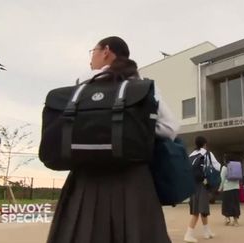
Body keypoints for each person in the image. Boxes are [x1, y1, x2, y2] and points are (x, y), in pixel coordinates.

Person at [46, 36, 179, 243]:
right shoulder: (141, 86)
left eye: (93, 51)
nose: (92, 58)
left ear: (106, 51)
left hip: (84, 183)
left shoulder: (82, 85)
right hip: (133, 183)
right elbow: (170, 128)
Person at [184, 136, 221, 243]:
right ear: (205, 144)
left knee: (203, 209)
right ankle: (188, 234)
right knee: (197, 211)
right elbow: (217, 166)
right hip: (202, 184)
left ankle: (207, 232)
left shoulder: (191, 154)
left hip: (193, 185)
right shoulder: (206, 153)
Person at [219, 161, 241, 226]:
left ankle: (227, 218)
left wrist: (220, 188)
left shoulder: (224, 167)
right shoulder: (237, 165)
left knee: (227, 204)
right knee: (235, 204)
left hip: (227, 188)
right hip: (236, 188)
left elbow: (222, 179)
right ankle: (235, 221)